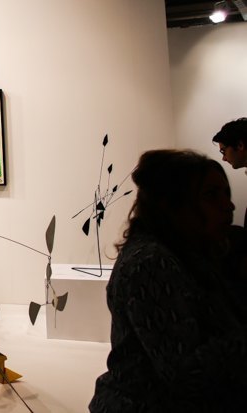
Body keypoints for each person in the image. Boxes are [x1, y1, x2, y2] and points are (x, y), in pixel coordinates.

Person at [89, 150, 247, 412]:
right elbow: (185, 372)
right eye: (211, 195)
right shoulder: (150, 263)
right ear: (172, 204)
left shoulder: (188, 253)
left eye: (225, 194)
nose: (228, 206)